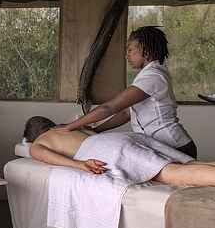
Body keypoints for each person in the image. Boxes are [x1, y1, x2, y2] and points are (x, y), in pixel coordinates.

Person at [23, 116, 215, 206]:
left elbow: (44, 156)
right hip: (128, 138)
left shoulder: (40, 141)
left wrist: (81, 165)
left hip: (104, 149)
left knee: (175, 176)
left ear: (33, 134)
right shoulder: (68, 128)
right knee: (190, 166)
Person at [53, 26, 197, 158]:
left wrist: (70, 126)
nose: (126, 55)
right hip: (164, 146)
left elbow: (109, 108)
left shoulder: (153, 76)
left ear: (146, 52)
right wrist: (96, 130)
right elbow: (126, 113)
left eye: (130, 50)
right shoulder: (148, 75)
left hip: (176, 146)